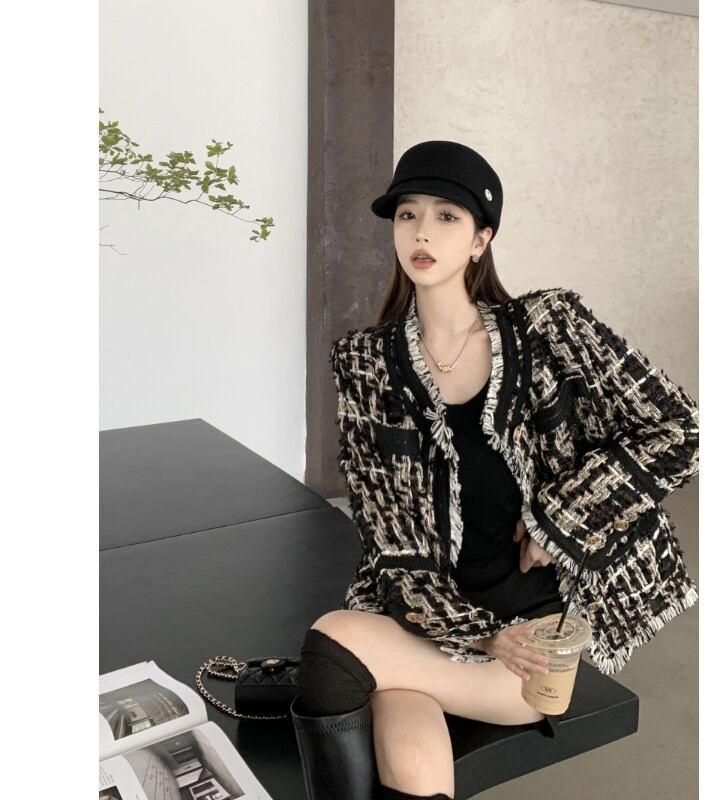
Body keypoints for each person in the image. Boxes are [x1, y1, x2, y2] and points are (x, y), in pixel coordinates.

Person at [290, 141, 699, 800]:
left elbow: (680, 429)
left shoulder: (548, 329)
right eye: (407, 215)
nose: (422, 232)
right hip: (429, 621)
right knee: (410, 758)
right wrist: (478, 635)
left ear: (481, 239)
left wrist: (560, 519)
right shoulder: (367, 363)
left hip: (533, 645)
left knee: (335, 642)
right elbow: (389, 540)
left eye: (447, 216)